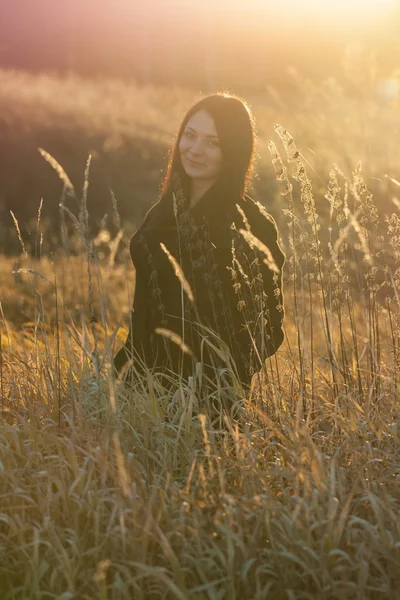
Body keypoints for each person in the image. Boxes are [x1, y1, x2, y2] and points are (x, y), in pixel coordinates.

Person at [114, 93, 285, 390]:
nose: (194, 150)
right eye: (189, 136)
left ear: (234, 150)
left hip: (208, 401)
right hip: (139, 384)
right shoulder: (163, 211)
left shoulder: (250, 224)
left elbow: (269, 326)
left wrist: (220, 380)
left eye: (212, 142)